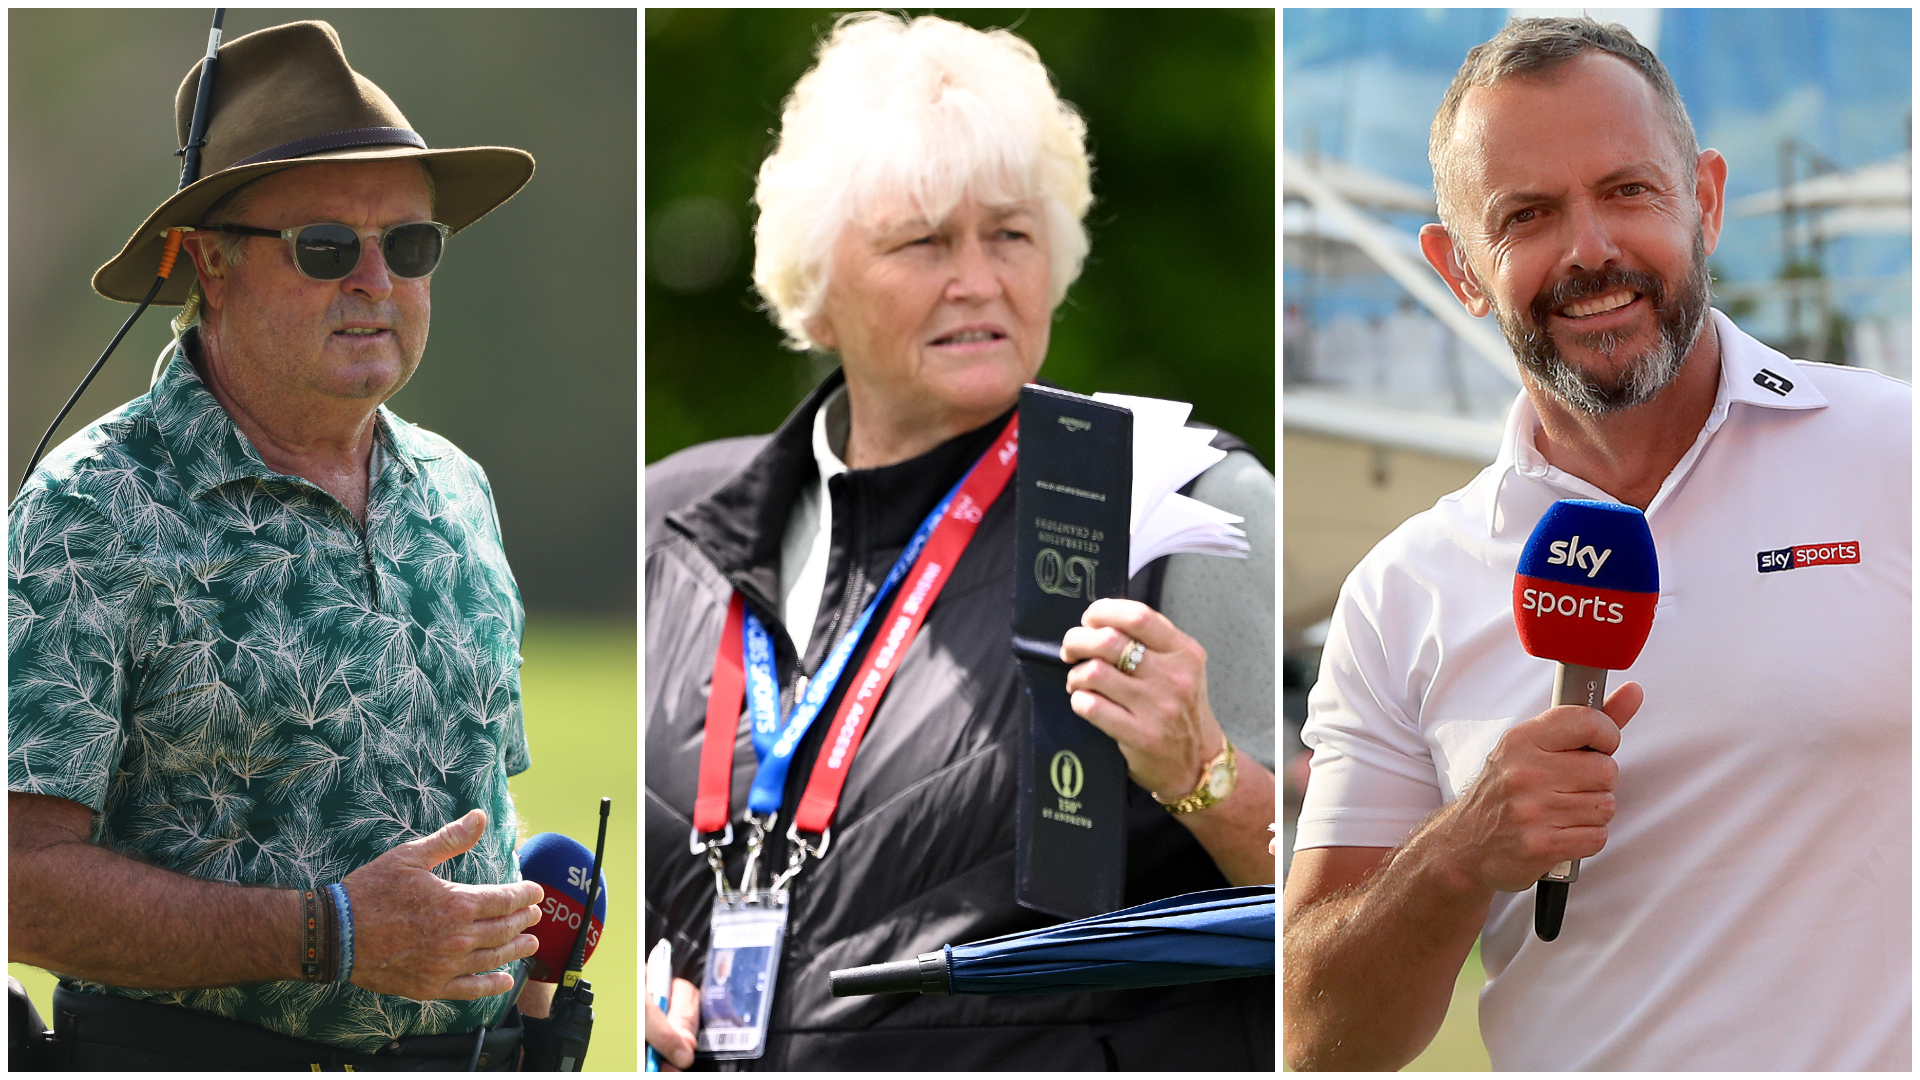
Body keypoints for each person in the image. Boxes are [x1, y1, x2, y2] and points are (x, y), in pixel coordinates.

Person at [644, 12, 1276, 1071]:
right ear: (816, 286)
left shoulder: (1180, 503)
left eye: (1012, 234)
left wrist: (1201, 771)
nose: (978, 279)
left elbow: (1333, 895)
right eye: (925, 240)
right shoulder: (669, 525)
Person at [1284, 17, 1910, 1072]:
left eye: (1629, 191)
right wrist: (1457, 855)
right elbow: (1315, 1041)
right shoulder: (1401, 593)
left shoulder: (1898, 454)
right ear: (1459, 270)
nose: (1591, 251)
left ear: (1703, 201)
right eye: (1527, 215)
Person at [8, 20, 555, 1069]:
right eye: (324, 248)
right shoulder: (90, 510)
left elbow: (482, 802)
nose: (374, 280)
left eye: (409, 245)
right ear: (209, 267)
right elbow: (15, 884)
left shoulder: (456, 490)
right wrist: (329, 934)